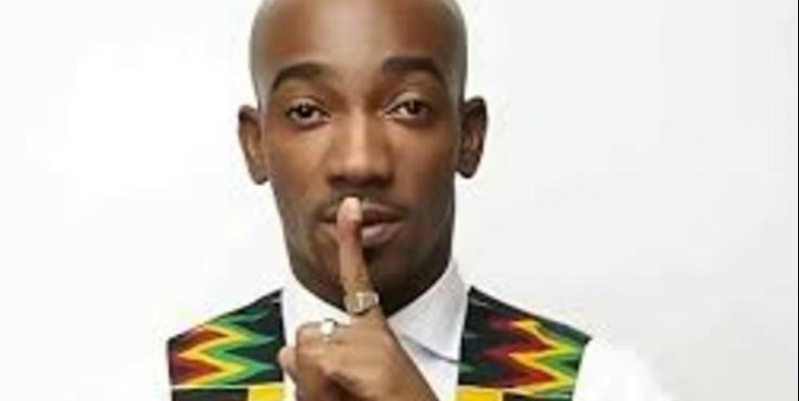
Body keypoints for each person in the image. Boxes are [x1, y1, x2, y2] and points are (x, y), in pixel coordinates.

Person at [168, 0, 671, 400]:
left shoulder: (601, 387)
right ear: (255, 145)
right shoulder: (160, 387)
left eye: (408, 107)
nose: (360, 162)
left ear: (469, 137)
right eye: (306, 111)